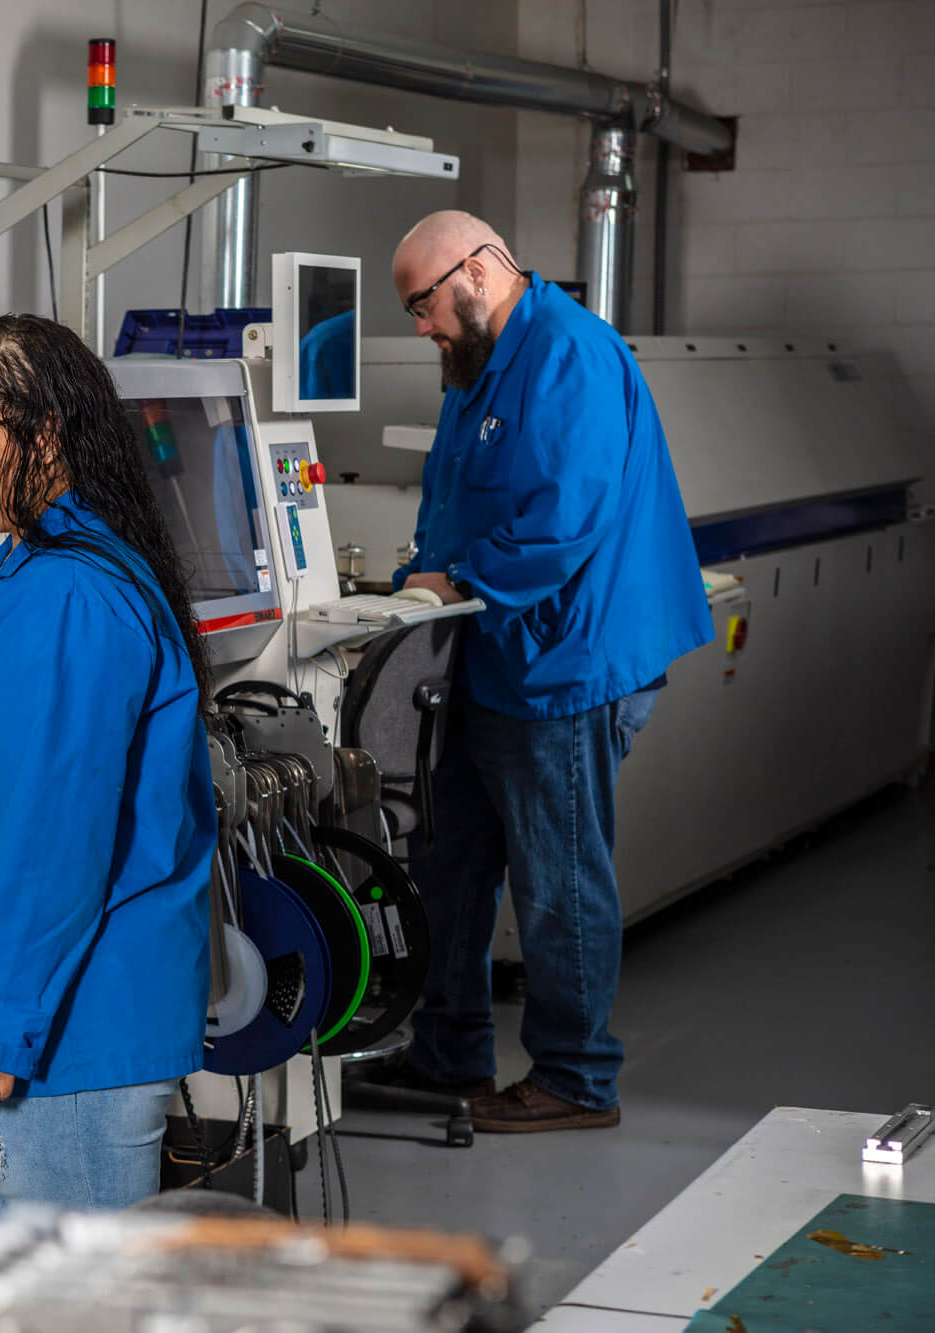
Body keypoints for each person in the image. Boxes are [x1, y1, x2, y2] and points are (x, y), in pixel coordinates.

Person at [387, 211, 712, 1131]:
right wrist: (422, 580)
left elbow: (563, 518)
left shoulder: (570, 354)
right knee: (448, 858)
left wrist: (457, 579)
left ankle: (576, 1076)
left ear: (479, 272)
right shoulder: (476, 361)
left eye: (423, 305)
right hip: (487, 650)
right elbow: (455, 493)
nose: (422, 327)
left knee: (557, 873)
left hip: (564, 661)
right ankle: (448, 1055)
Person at [0, 314, 217, 1222]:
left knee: (49, 1307)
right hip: (49, 1013)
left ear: (43, 433)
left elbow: (55, 841)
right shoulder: (34, 566)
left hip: (62, 1037)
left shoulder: (70, 593)